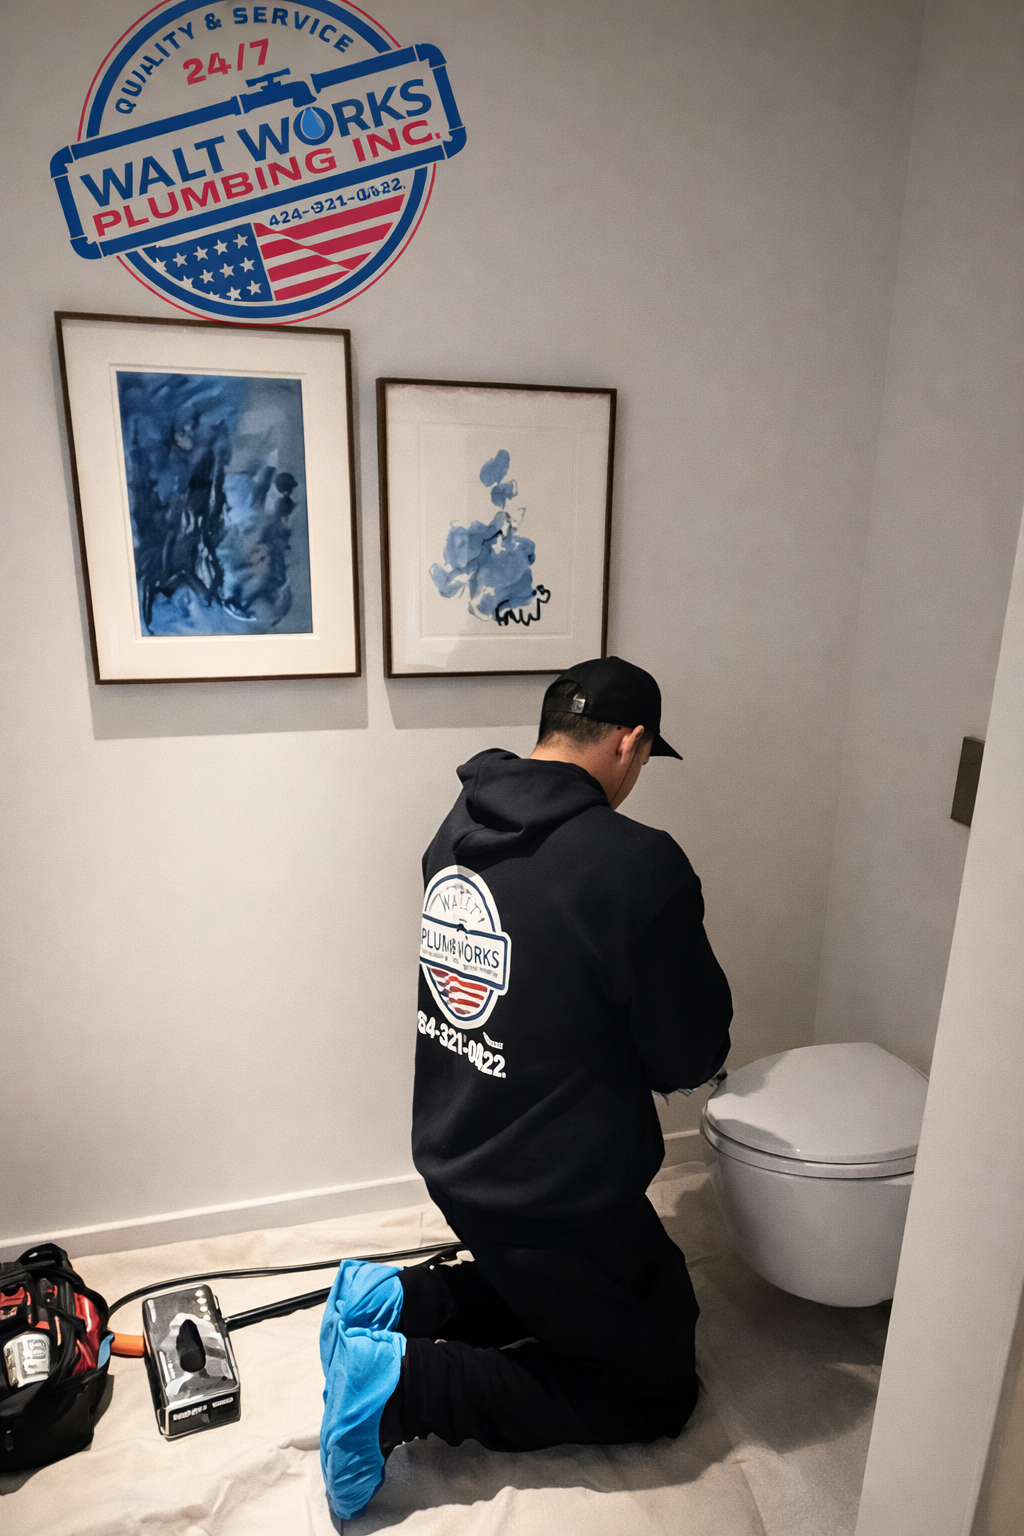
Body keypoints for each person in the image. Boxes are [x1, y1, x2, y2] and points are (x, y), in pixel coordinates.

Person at [320, 657, 733, 1520]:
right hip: (555, 1188)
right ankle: (402, 1386)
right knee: (656, 1387)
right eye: (646, 758)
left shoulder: (460, 821)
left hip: (460, 1145)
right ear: (631, 742)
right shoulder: (638, 864)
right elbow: (685, 1050)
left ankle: (396, 1297)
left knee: (658, 1290)